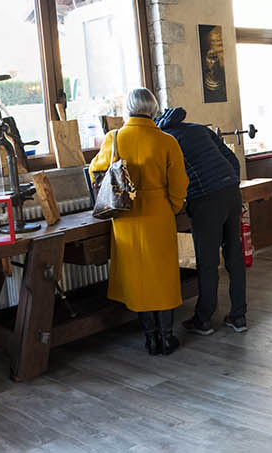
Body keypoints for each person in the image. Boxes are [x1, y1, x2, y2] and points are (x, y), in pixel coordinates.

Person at [93, 88, 189, 354]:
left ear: (128, 109)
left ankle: (149, 338)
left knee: (138, 278)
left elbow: (95, 171)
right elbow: (179, 184)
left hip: (125, 217)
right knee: (163, 276)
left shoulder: (113, 139)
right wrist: (173, 205)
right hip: (158, 214)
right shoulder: (167, 141)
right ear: (153, 109)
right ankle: (167, 337)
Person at [156, 106, 245, 335]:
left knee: (207, 262)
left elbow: (172, 178)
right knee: (234, 255)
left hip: (205, 199)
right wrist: (231, 181)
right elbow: (232, 159)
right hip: (231, 192)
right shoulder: (199, 129)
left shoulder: (166, 140)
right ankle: (239, 316)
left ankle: (204, 319)